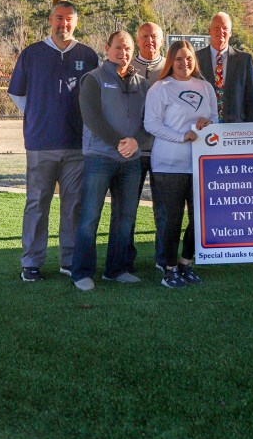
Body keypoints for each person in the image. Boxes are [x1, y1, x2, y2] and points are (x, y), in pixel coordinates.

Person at [9, 0, 99, 282]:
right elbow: (17, 94)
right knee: (37, 203)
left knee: (73, 205)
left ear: (76, 22)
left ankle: (69, 259)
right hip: (40, 144)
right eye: (59, 18)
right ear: (50, 20)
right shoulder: (32, 54)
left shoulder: (88, 55)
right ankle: (31, 262)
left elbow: (95, 99)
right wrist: (39, 114)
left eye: (69, 19)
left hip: (76, 145)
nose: (64, 24)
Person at [72, 32, 149, 292]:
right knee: (90, 216)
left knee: (125, 218)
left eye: (127, 48)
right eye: (118, 48)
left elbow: (148, 121)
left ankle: (116, 270)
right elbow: (91, 117)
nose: (123, 53)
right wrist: (119, 142)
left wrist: (136, 141)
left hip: (131, 160)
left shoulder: (142, 83)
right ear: (107, 49)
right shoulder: (93, 78)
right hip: (100, 157)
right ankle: (82, 272)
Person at [144, 40, 216, 289]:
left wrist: (208, 123)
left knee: (200, 218)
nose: (184, 63)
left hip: (199, 165)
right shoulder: (160, 88)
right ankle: (170, 268)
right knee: (172, 219)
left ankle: (186, 263)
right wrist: (180, 136)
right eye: (178, 59)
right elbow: (151, 124)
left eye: (188, 58)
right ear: (170, 62)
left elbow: (215, 118)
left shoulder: (205, 87)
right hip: (168, 165)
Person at [129, 22, 166, 271]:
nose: (149, 41)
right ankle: (124, 259)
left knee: (164, 209)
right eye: (144, 37)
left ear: (161, 40)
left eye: (154, 37)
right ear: (137, 40)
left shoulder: (172, 66)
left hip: (164, 150)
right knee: (127, 208)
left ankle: (163, 258)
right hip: (133, 151)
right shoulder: (126, 66)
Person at [196, 12, 253, 123]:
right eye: (216, 27)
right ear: (209, 30)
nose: (221, 31)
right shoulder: (195, 59)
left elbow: (252, 99)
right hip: (204, 126)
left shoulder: (244, 60)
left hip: (236, 128)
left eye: (225, 28)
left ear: (230, 33)